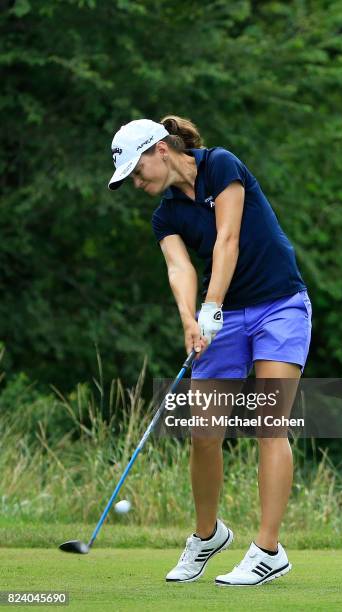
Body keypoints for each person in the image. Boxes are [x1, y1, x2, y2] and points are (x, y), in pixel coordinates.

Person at [108, 116, 312, 586]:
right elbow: (179, 268)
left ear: (160, 149)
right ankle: (207, 535)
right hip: (222, 319)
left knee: (269, 422)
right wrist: (189, 319)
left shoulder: (221, 165)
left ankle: (268, 549)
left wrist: (212, 305)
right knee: (204, 431)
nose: (138, 183)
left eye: (137, 171)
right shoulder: (165, 215)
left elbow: (228, 239)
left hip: (279, 304)